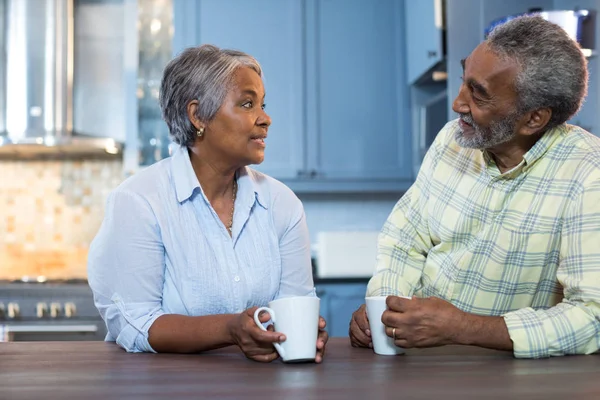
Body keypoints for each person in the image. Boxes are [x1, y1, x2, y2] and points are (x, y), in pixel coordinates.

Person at [349, 15, 600, 358]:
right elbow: (404, 241)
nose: (457, 104)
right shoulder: (451, 142)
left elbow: (592, 317)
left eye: (478, 95)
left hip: (513, 380)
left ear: (534, 119)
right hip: (420, 366)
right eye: (464, 80)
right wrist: (387, 309)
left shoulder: (589, 175)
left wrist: (463, 328)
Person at [88, 44, 328, 362]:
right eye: (247, 104)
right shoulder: (138, 202)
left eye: (262, 104)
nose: (266, 119)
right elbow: (135, 324)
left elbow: (296, 305)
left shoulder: (282, 204)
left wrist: (302, 331)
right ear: (198, 115)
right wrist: (230, 329)